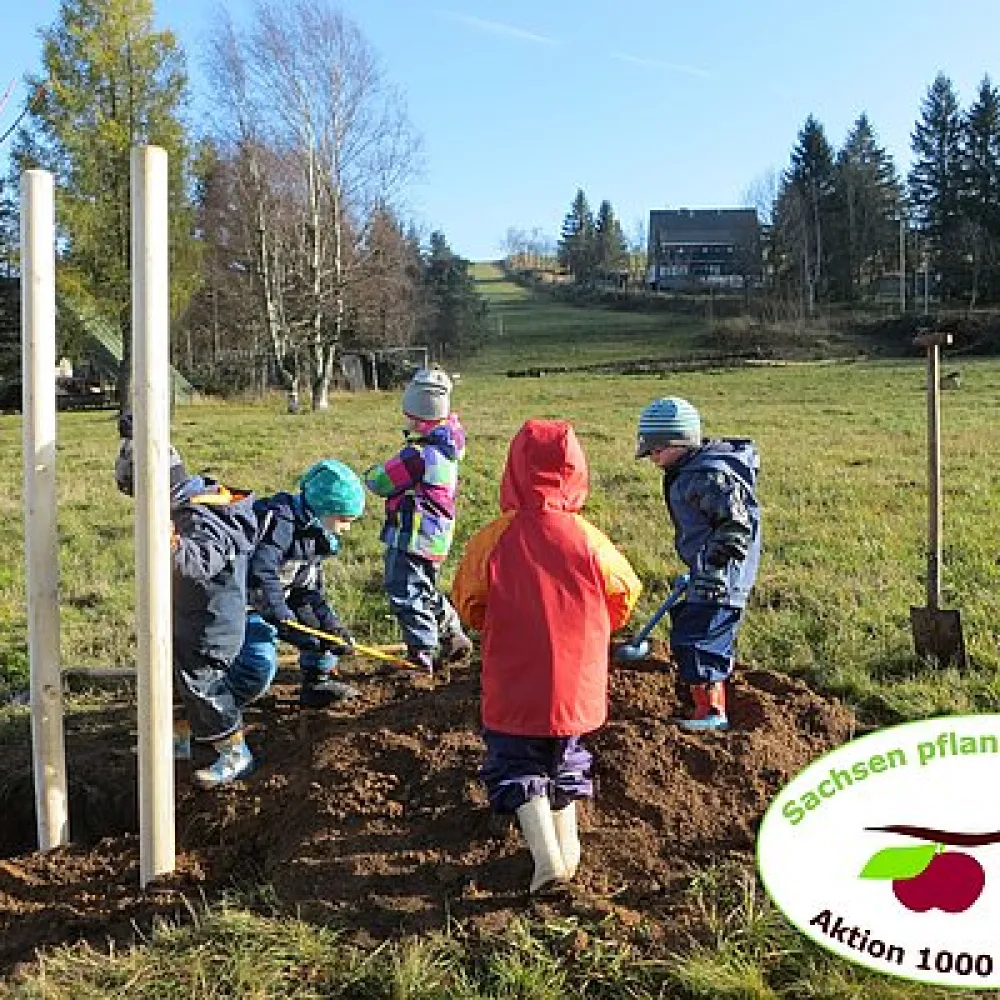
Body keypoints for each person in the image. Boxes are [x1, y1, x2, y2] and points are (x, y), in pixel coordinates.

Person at [452, 419, 641, 894]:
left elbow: (468, 598)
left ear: (512, 471)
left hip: (515, 678)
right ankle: (569, 851)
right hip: (577, 681)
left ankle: (546, 860)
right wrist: (594, 626)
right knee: (568, 756)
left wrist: (491, 622)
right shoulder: (589, 538)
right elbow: (624, 593)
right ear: (577, 471)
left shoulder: (495, 537)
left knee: (517, 763)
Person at [114, 419, 261, 789]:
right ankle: (178, 739)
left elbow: (201, 562)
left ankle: (234, 751)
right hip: (188, 619)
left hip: (210, 627)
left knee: (202, 686)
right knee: (175, 679)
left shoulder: (202, 512)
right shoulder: (187, 504)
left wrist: (172, 546)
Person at [635, 396, 761, 732]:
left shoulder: (708, 476)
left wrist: (717, 563)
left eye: (657, 450)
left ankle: (711, 712)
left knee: (701, 639)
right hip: (707, 572)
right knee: (691, 630)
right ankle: (705, 703)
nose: (652, 458)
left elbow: (735, 526)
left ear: (681, 442)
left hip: (720, 580)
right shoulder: (689, 471)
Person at [364, 366, 472, 672]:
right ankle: (452, 632)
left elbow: (380, 483)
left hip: (412, 534)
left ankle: (420, 653)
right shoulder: (447, 450)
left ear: (416, 414)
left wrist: (371, 473)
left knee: (404, 589)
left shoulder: (416, 455)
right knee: (423, 588)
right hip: (437, 535)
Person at [238, 459, 366, 708]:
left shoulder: (317, 536)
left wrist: (332, 628)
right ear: (322, 509)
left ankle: (317, 683)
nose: (347, 528)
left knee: (322, 633)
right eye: (343, 519)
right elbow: (261, 573)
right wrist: (283, 618)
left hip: (285, 598)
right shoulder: (279, 525)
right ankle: (224, 703)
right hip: (247, 605)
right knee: (259, 661)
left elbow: (308, 591)